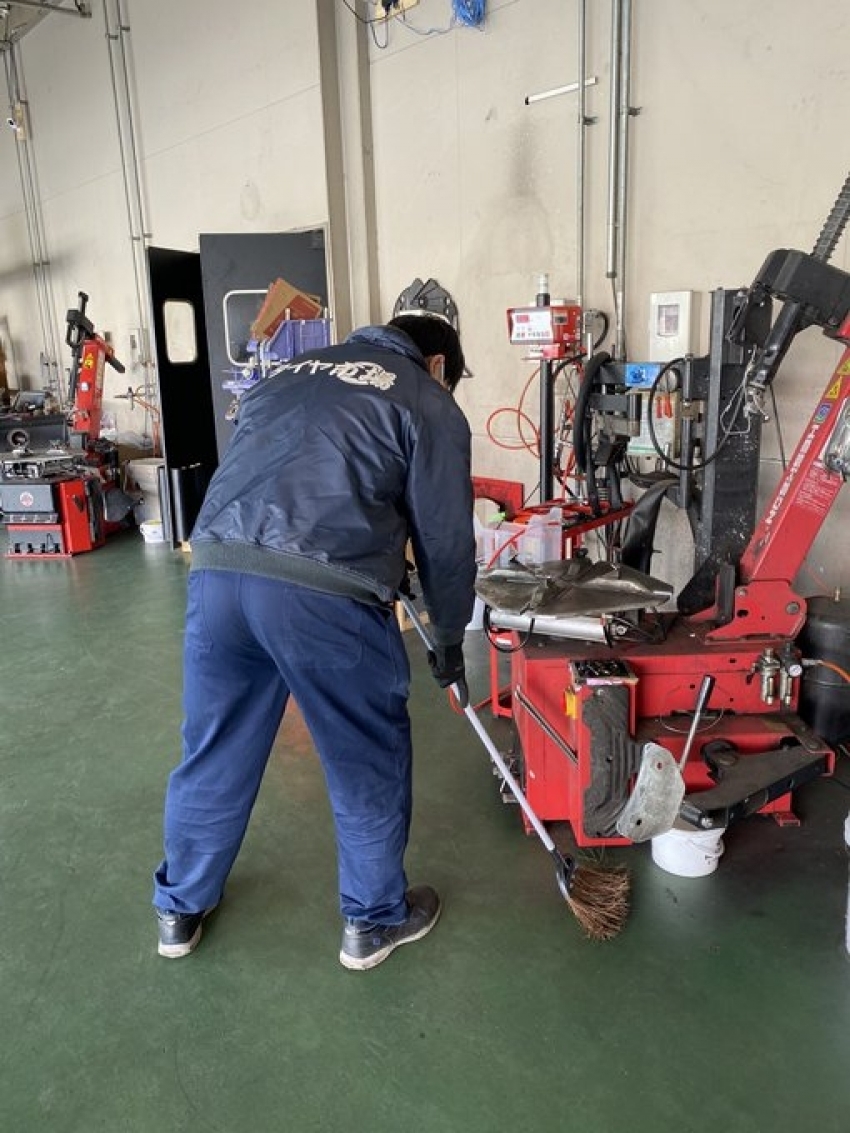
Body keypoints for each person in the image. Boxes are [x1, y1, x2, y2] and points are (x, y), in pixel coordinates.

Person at [152, 312, 477, 971]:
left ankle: (178, 908)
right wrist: (448, 637)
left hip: (217, 573)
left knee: (213, 745)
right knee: (364, 752)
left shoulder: (287, 373)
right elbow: (445, 541)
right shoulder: (425, 398)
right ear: (439, 364)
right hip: (322, 594)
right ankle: (373, 920)